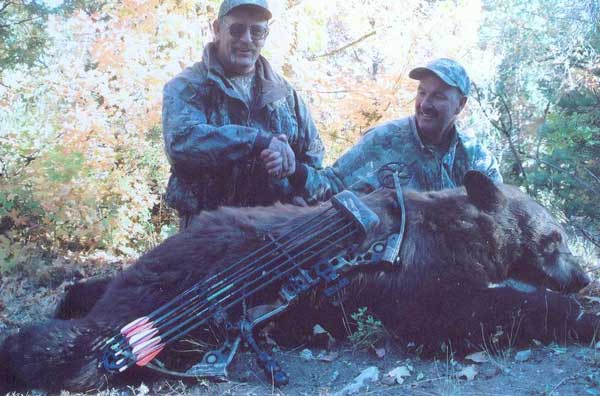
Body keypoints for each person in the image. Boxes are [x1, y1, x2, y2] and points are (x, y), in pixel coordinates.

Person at [162, 0, 325, 228]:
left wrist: (293, 171)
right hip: (206, 232)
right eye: (237, 29)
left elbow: (315, 159)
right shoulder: (187, 86)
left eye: (257, 31)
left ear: (265, 36)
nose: (247, 39)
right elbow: (182, 143)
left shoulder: (286, 95)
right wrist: (258, 140)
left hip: (275, 232)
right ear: (217, 29)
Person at [282, 58, 502, 201]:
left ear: (460, 105)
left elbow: (498, 216)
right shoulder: (383, 140)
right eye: (422, 92)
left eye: (438, 96)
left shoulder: (478, 160)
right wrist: (294, 169)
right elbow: (331, 185)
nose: (425, 104)